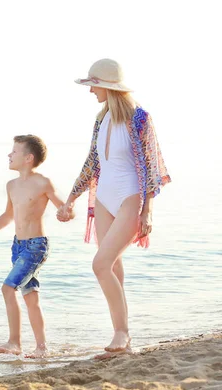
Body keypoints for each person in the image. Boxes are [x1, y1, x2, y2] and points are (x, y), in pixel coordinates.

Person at [59, 58, 171, 357]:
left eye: (93, 84)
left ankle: (122, 332)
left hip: (129, 197)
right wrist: (71, 198)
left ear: (107, 85)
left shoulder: (139, 118)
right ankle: (122, 336)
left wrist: (147, 211)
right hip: (104, 199)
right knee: (113, 266)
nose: (90, 90)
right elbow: (92, 163)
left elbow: (150, 167)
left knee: (100, 264)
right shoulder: (101, 119)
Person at [0, 135, 69, 358]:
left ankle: (14, 342)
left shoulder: (43, 183)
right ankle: (41, 348)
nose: (9, 155)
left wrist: (66, 212)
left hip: (36, 246)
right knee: (31, 297)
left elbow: (63, 206)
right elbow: (9, 215)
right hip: (17, 246)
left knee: (8, 288)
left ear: (28, 158)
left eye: (14, 152)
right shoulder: (11, 185)